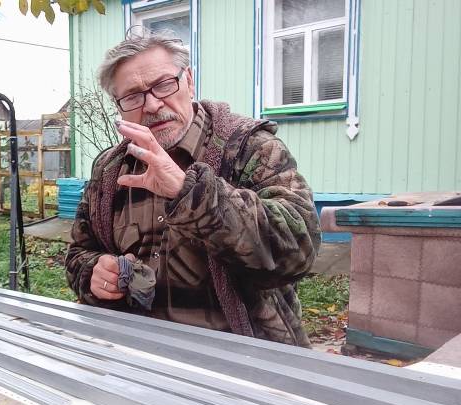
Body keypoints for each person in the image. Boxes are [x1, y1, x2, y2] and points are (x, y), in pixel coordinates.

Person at [64, 31, 321, 347]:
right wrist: (93, 272)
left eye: (163, 85)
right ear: (119, 107)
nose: (152, 104)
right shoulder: (110, 169)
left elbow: (299, 251)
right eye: (132, 96)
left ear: (189, 80)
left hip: (241, 356)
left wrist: (191, 194)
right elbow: (78, 253)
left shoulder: (251, 149)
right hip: (134, 355)